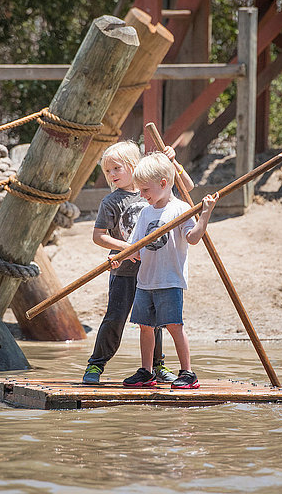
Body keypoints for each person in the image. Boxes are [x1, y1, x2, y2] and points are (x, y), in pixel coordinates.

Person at [82, 140, 194, 385]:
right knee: (115, 317)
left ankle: (156, 367)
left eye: (116, 169)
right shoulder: (111, 202)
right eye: (107, 171)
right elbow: (98, 235)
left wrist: (173, 162)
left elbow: (187, 187)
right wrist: (127, 250)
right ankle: (95, 365)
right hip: (124, 270)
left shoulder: (152, 191)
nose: (111, 176)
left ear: (135, 166)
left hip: (155, 271)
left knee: (153, 322)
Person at [116, 151, 218, 390]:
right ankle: (146, 371)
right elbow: (135, 248)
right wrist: (120, 257)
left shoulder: (181, 209)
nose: (141, 195)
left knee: (174, 325)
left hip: (169, 280)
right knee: (144, 326)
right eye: (140, 190)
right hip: (146, 281)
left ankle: (188, 373)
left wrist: (205, 214)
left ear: (163, 183)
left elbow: (193, 238)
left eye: (145, 190)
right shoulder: (144, 212)